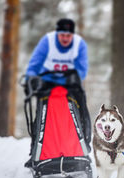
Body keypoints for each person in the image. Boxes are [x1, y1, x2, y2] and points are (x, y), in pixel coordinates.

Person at [24, 18, 91, 166]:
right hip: (47, 83)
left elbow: (82, 69)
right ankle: (36, 151)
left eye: (68, 36)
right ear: (57, 34)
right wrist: (30, 80)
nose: (65, 38)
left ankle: (84, 146)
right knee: (40, 116)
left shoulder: (79, 44)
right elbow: (34, 64)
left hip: (71, 83)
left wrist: (70, 80)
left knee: (82, 111)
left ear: (72, 35)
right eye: (62, 35)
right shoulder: (47, 41)